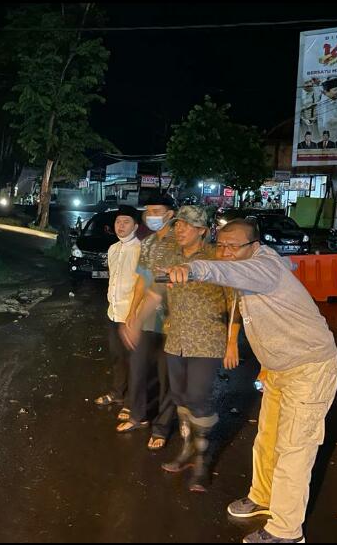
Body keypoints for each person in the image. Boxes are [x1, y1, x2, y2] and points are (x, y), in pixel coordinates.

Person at [163, 219, 337, 544]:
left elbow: (229, 273)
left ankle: (287, 532)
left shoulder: (264, 267)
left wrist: (193, 269)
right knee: (268, 439)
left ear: (254, 246)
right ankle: (264, 497)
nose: (227, 253)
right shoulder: (253, 269)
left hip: (310, 369)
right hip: (278, 369)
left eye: (234, 246)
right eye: (222, 245)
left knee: (293, 450)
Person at [123, 205, 240, 492]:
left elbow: (235, 300)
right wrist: (136, 320)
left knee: (198, 397)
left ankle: (202, 457)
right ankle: (187, 450)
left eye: (187, 225)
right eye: (177, 225)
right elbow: (156, 292)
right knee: (180, 397)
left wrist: (232, 341)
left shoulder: (216, 256)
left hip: (208, 339)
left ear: (202, 230)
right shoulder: (172, 256)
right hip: (176, 338)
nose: (180, 229)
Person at [116, 193, 178, 450]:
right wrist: (132, 312)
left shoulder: (180, 242)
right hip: (148, 318)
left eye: (157, 211)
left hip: (173, 321)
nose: (151, 215)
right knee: (138, 368)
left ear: (170, 214)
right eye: (148, 211)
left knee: (167, 377)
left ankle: (162, 428)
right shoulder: (149, 242)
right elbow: (142, 279)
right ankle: (137, 416)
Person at [94, 205, 142, 416]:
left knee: (133, 360)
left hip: (132, 315)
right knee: (116, 357)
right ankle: (118, 393)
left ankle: (132, 402)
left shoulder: (141, 250)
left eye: (126, 222)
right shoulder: (113, 249)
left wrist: (135, 314)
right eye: (118, 222)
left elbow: (143, 284)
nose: (120, 226)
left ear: (136, 226)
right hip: (113, 313)